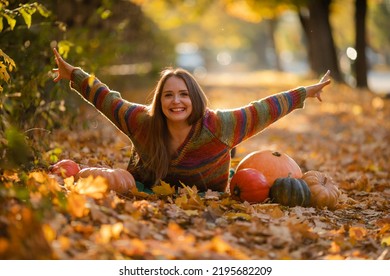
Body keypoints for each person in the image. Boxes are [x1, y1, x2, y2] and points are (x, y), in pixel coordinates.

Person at [52, 48, 331, 192]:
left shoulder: (220, 126)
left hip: (212, 199)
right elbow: (108, 99)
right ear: (159, 101)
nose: (176, 101)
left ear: (195, 98)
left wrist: (305, 92)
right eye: (169, 95)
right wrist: (73, 74)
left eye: (184, 94)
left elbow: (264, 108)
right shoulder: (142, 122)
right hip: (145, 193)